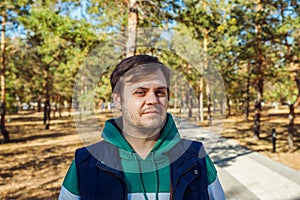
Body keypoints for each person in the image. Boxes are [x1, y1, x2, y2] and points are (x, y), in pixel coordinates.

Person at [59, 55, 226, 200]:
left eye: (160, 92)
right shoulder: (86, 162)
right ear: (118, 100)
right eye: (140, 92)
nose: (153, 100)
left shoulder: (196, 158)